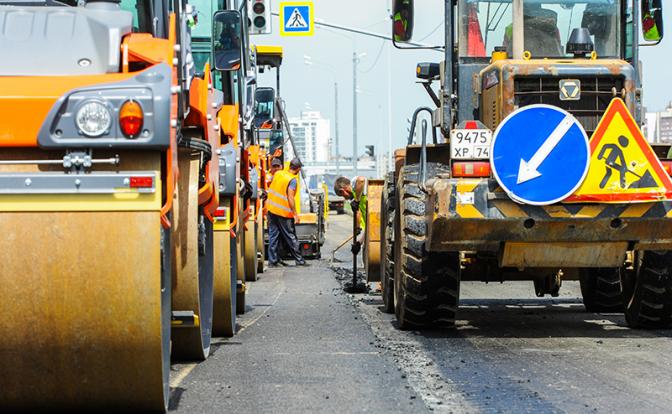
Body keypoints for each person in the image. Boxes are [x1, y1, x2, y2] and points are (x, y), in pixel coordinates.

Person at [267, 158, 307, 267]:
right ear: (298, 169)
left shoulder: (279, 173)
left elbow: (270, 183)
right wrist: (295, 214)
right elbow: (290, 197)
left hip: (271, 210)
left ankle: (273, 261)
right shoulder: (292, 180)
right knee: (290, 236)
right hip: (283, 213)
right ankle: (299, 260)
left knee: (273, 236)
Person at [333, 176, 367, 254]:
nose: (345, 198)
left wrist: (357, 200)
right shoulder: (353, 201)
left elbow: (361, 179)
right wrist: (359, 243)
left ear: (342, 191)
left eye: (342, 195)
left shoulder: (354, 184)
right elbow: (370, 226)